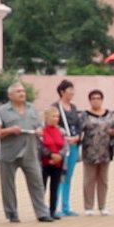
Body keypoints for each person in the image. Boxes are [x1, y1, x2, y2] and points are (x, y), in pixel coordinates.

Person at [0, 81, 51, 224]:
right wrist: (9, 130)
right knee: (8, 186)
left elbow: (40, 127)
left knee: (37, 182)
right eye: (18, 91)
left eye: (23, 91)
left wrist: (40, 131)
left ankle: (42, 212)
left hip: (30, 151)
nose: (22, 94)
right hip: (9, 152)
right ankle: (12, 213)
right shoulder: (2, 111)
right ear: (10, 95)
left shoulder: (32, 108)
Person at [74, 88, 114, 215]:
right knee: (89, 179)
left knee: (103, 179)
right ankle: (88, 206)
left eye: (98, 98)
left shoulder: (109, 113)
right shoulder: (84, 115)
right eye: (93, 98)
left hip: (105, 151)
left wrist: (113, 133)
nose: (96, 101)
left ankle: (102, 205)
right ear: (89, 100)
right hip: (90, 151)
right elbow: (79, 132)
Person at [44, 80, 77, 219]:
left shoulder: (73, 107)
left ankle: (66, 205)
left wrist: (77, 137)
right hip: (57, 147)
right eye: (69, 89)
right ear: (62, 91)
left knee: (68, 176)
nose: (72, 92)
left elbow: (78, 124)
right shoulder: (55, 107)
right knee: (59, 177)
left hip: (72, 145)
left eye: (73, 89)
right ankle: (54, 207)